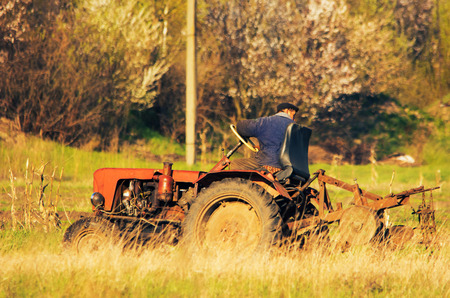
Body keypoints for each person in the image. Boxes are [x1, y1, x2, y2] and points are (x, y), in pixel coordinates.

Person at [229, 102, 299, 173]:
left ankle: (238, 184)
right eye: (294, 115)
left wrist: (239, 126)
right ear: (287, 111)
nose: (294, 118)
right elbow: (282, 145)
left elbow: (242, 127)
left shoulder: (267, 122)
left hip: (269, 165)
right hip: (289, 168)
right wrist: (261, 147)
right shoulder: (297, 128)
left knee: (236, 163)